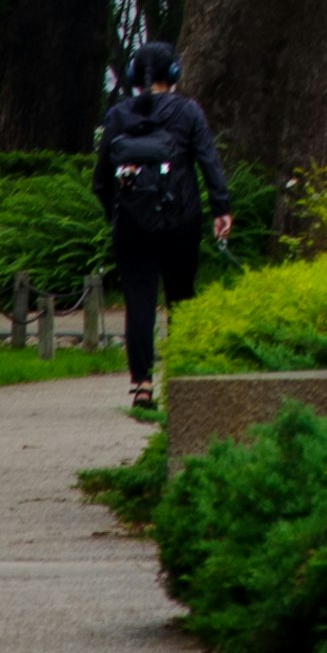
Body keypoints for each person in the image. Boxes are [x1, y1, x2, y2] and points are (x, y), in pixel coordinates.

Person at [93, 41, 234, 414]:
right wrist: (221, 208)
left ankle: (141, 384)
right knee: (182, 297)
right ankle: (183, 379)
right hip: (181, 221)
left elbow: (101, 180)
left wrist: (117, 214)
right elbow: (208, 161)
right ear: (174, 74)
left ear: (135, 75)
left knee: (139, 302)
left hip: (132, 225)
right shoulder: (188, 112)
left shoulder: (118, 115)